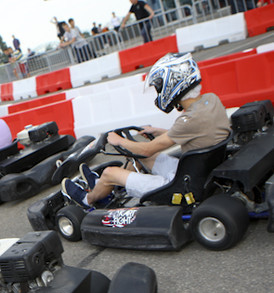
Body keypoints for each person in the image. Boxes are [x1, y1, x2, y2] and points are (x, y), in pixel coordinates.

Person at [62, 53, 231, 208]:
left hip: (182, 187)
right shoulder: (211, 100)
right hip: (199, 174)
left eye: (160, 87)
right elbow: (195, 132)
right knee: (138, 158)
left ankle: (88, 199)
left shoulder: (188, 120)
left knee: (109, 172)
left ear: (172, 84)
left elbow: (146, 149)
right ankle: (105, 187)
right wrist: (158, 131)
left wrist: (118, 140)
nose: (159, 91)